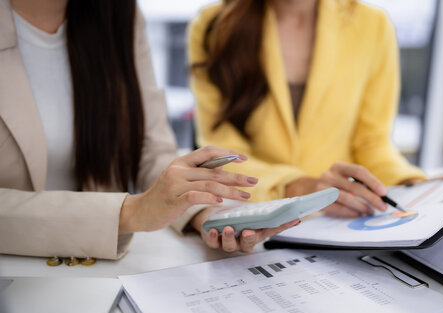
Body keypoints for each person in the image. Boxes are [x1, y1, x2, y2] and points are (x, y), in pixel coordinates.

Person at [0, 0, 297, 260]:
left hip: (95, 271)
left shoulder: (117, 14)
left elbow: (152, 152)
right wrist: (130, 212)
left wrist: (206, 211)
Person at [189, 0, 429, 223]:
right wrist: (296, 185)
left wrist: (414, 184)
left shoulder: (373, 25)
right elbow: (222, 154)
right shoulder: (214, 25)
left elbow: (371, 143)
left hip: (341, 219)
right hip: (259, 217)